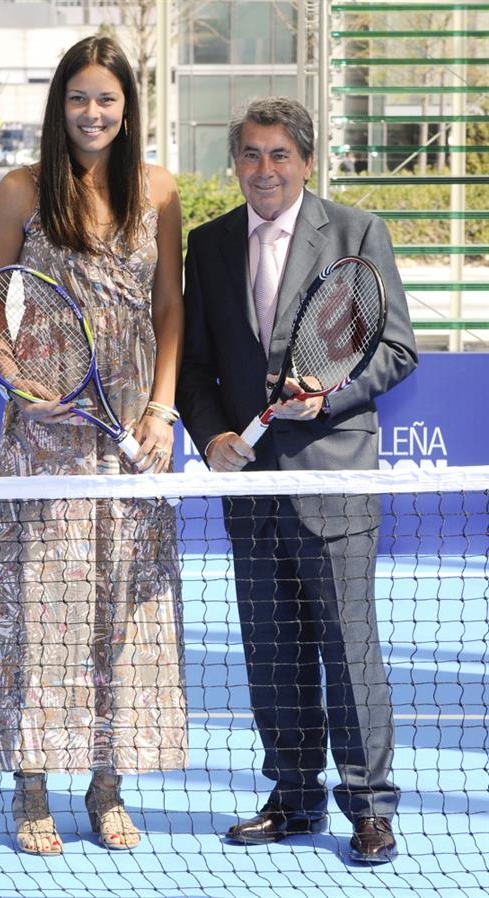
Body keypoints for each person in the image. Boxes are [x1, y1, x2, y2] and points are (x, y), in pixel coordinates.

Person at [176, 97, 417, 864]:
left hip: (334, 477)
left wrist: (328, 396)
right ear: (235, 162)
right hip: (253, 490)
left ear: (307, 161)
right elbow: (195, 367)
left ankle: (371, 808)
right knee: (272, 652)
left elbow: (397, 351)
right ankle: (293, 797)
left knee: (349, 652)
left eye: (280, 155)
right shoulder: (207, 245)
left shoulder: (356, 231)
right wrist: (211, 432)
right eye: (250, 154)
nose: (264, 169)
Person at [0, 35, 187, 855]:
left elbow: (171, 308)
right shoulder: (20, 190)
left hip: (134, 432)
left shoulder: (160, 191)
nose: (92, 113)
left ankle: (108, 785)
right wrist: (27, 387)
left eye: (105, 99)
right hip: (45, 433)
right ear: (58, 104)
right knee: (42, 610)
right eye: (77, 98)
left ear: (127, 106)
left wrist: (162, 412)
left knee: (124, 615)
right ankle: (32, 784)